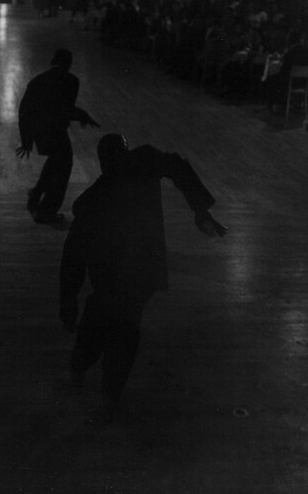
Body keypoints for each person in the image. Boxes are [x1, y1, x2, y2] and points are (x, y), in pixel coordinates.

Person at [59, 133, 227, 419]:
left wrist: (68, 299)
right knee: (123, 329)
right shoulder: (143, 163)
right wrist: (200, 210)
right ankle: (107, 392)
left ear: (101, 162)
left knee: (100, 324)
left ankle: (83, 370)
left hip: (115, 277)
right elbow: (177, 167)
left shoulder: (92, 201)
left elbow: (73, 256)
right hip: (141, 272)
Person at [16, 49, 100, 225]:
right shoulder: (71, 81)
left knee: (56, 161)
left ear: (52, 61)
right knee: (63, 168)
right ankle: (46, 211)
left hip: (40, 130)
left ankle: (37, 194)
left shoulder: (37, 81)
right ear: (69, 64)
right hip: (55, 130)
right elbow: (65, 108)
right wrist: (83, 116)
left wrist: (27, 140)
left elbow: (24, 111)